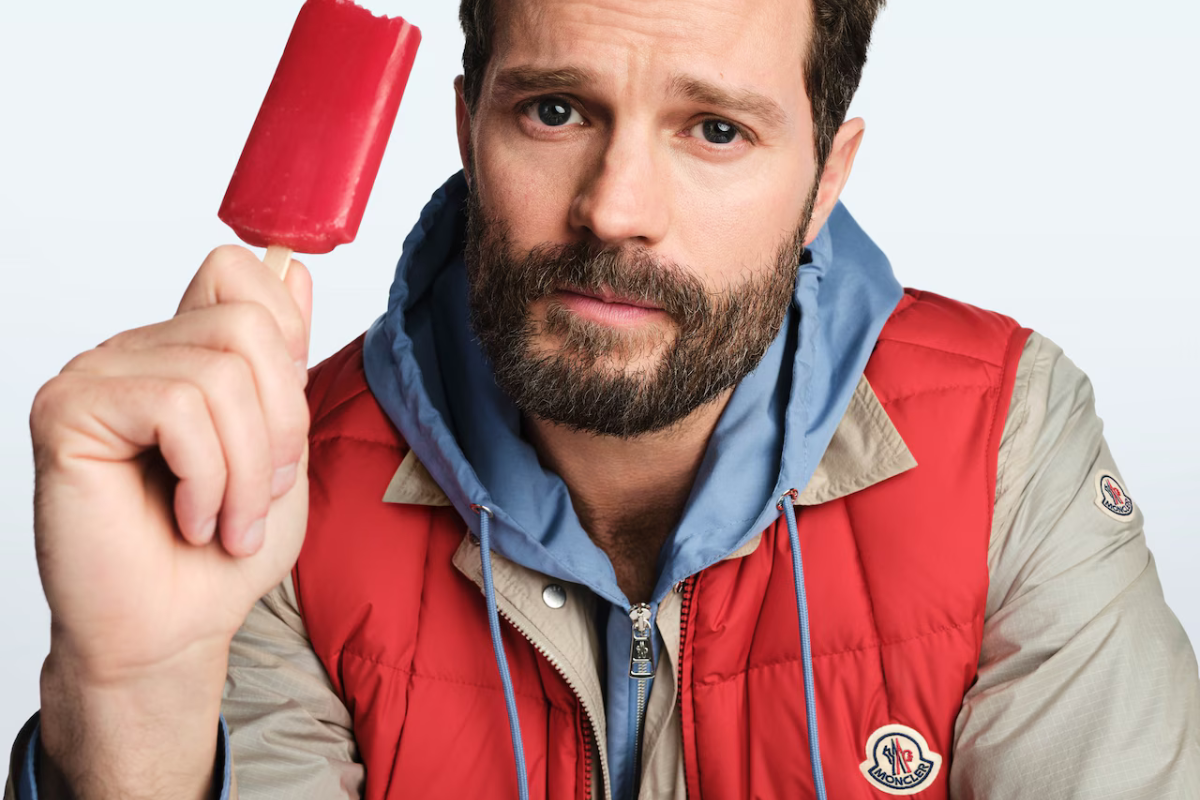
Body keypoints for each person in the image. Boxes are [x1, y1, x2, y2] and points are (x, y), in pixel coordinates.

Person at [6, 0, 1199, 797]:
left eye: (715, 129)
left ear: (826, 177)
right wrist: (132, 698)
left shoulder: (1006, 435)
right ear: (466, 126)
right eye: (556, 110)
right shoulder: (266, 482)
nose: (616, 207)